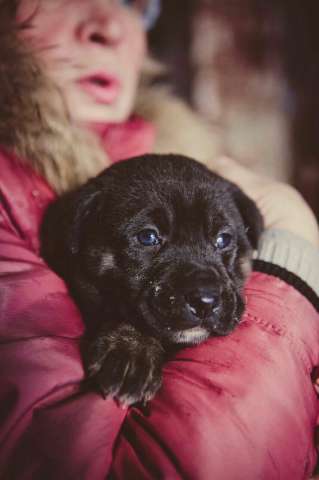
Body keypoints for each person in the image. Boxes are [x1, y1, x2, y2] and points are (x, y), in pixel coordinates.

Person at [0, 0, 318, 478]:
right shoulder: (37, 202)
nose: (107, 25)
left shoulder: (214, 171)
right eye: (148, 237)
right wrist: (293, 254)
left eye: (134, 2)